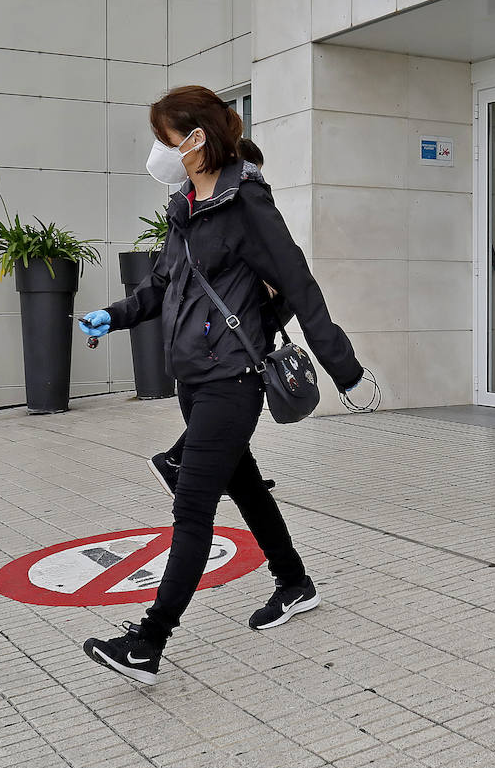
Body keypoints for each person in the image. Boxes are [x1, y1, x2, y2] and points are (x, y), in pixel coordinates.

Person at [78, 86, 365, 686]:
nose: (160, 150)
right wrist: (119, 313)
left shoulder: (246, 203)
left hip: (233, 379)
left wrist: (342, 365)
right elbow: (162, 286)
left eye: (166, 137)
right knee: (247, 487)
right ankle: (294, 583)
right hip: (194, 376)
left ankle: (147, 643)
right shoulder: (184, 205)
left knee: (193, 509)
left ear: (198, 139)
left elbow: (299, 284)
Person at [146, 135, 279, 497]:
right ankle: (176, 461)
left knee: (231, 441)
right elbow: (168, 280)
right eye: (250, 172)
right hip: (224, 350)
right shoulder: (202, 211)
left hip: (229, 348)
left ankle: (200, 464)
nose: (253, 180)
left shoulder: (237, 205)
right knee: (222, 423)